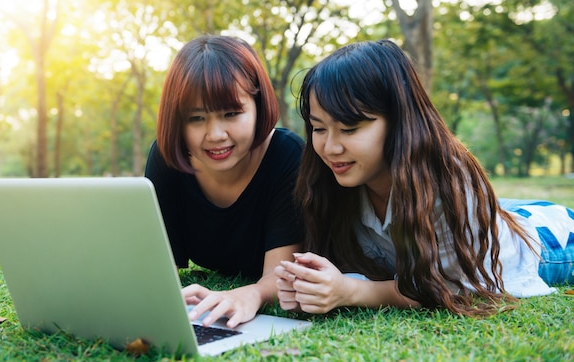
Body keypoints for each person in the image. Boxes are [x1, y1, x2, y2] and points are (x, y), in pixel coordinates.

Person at [275, 39, 574, 316]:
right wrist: (308, 285)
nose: (331, 147)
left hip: (549, 243)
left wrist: (350, 291)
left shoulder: (446, 181)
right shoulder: (334, 180)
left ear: (399, 121)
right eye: (319, 128)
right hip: (500, 215)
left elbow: (445, 287)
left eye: (350, 128)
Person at [145, 35, 304, 328]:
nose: (216, 134)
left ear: (258, 106)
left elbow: (280, 274)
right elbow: (159, 265)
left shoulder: (286, 155)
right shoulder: (168, 158)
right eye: (196, 118)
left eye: (231, 113)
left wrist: (250, 295)